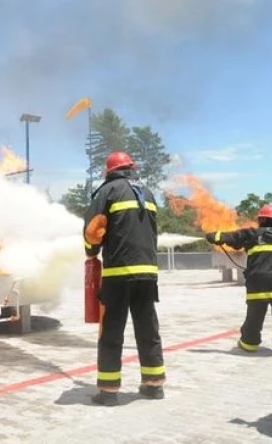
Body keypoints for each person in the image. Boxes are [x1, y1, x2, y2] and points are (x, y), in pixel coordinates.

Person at [83, 150, 165, 407]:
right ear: (131, 168)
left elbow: (93, 230)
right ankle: (154, 385)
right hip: (148, 274)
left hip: (118, 274)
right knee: (148, 328)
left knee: (111, 332)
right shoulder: (147, 193)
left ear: (109, 171)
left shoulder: (107, 191)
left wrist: (91, 252)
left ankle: (108, 391)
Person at [205, 204, 272, 352]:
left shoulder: (252, 233)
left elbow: (229, 237)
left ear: (261, 219)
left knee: (255, 315)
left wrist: (213, 236)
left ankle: (249, 343)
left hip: (258, 282)